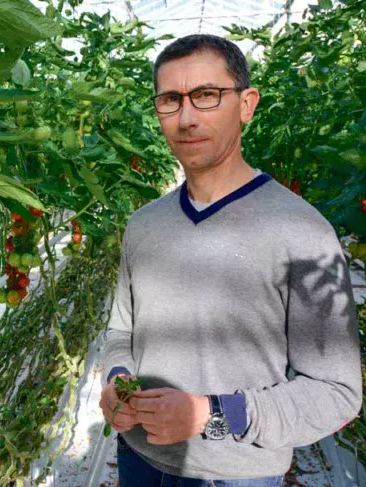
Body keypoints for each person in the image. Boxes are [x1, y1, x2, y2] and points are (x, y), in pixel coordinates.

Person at [98, 33, 362, 486]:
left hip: (235, 475)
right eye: (169, 100)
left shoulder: (302, 232)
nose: (185, 118)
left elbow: (337, 392)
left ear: (247, 104)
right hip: (138, 457)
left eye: (206, 96)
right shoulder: (144, 225)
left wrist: (210, 416)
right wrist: (118, 380)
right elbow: (122, 330)